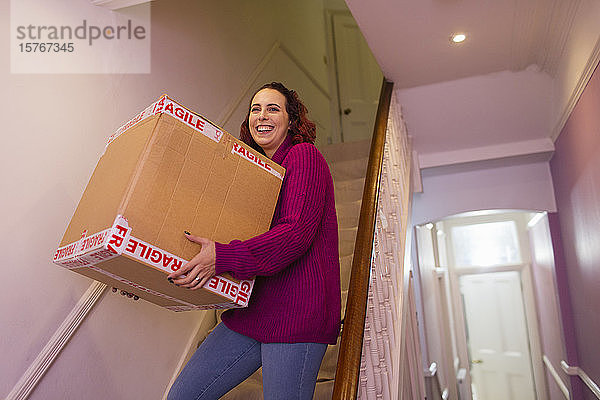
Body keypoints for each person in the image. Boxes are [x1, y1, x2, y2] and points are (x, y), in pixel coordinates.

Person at [166, 82, 341, 400]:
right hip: (254, 311)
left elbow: (294, 234)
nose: (262, 116)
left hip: (295, 316)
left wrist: (222, 257)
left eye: (273, 108)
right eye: (255, 109)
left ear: (292, 120)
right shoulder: (259, 175)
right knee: (182, 395)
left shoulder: (304, 157)